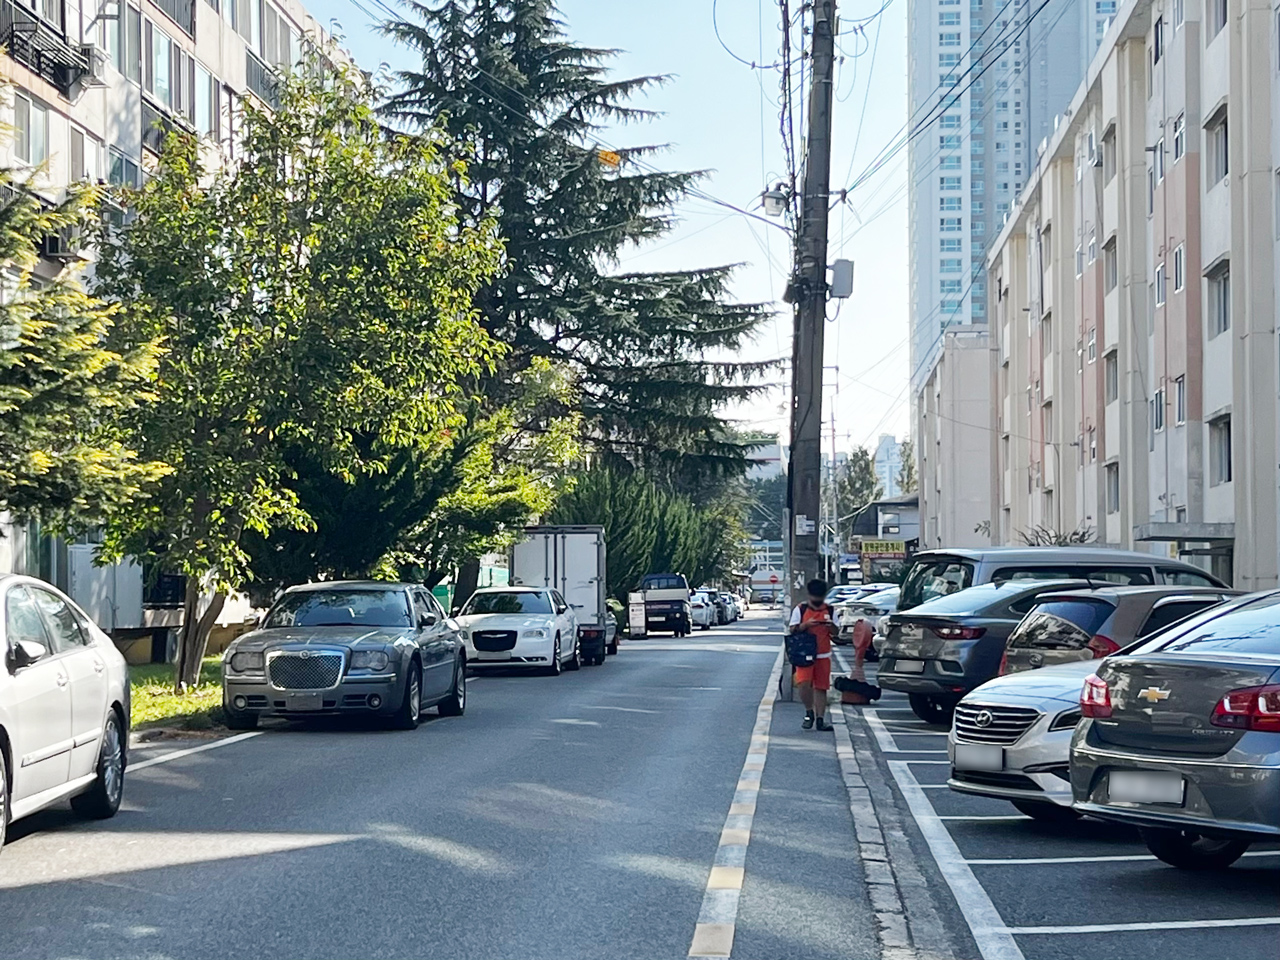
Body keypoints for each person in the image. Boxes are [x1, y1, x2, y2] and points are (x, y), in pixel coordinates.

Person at [789, 578, 836, 730]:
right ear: (809, 595)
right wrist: (805, 625)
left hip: (823, 654)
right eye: (815, 597)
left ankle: (821, 719)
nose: (818, 601)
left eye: (820, 598)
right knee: (803, 684)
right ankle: (809, 712)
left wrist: (831, 626)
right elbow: (792, 629)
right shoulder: (801, 609)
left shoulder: (830, 610)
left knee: (821, 687)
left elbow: (837, 633)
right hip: (804, 653)